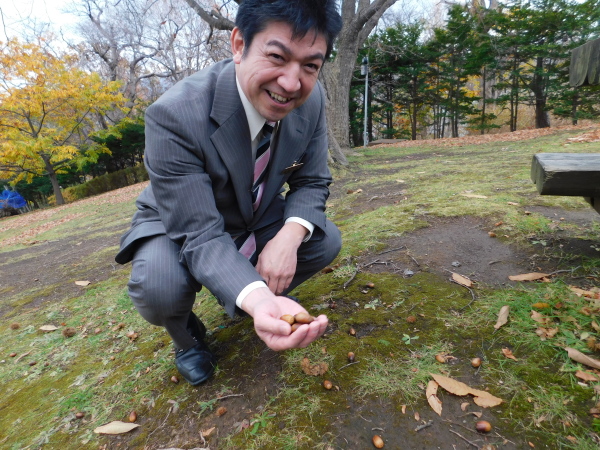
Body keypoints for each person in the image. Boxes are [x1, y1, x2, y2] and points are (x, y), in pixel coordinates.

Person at [115, 0, 343, 386]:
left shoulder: (312, 100)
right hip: (181, 219)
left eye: (310, 65)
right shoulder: (173, 115)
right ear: (239, 45)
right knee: (160, 288)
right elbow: (200, 233)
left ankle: (244, 298)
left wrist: (288, 238)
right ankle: (188, 338)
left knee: (324, 240)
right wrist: (256, 294)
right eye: (277, 57)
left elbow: (312, 181)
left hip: (254, 212)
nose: (291, 83)